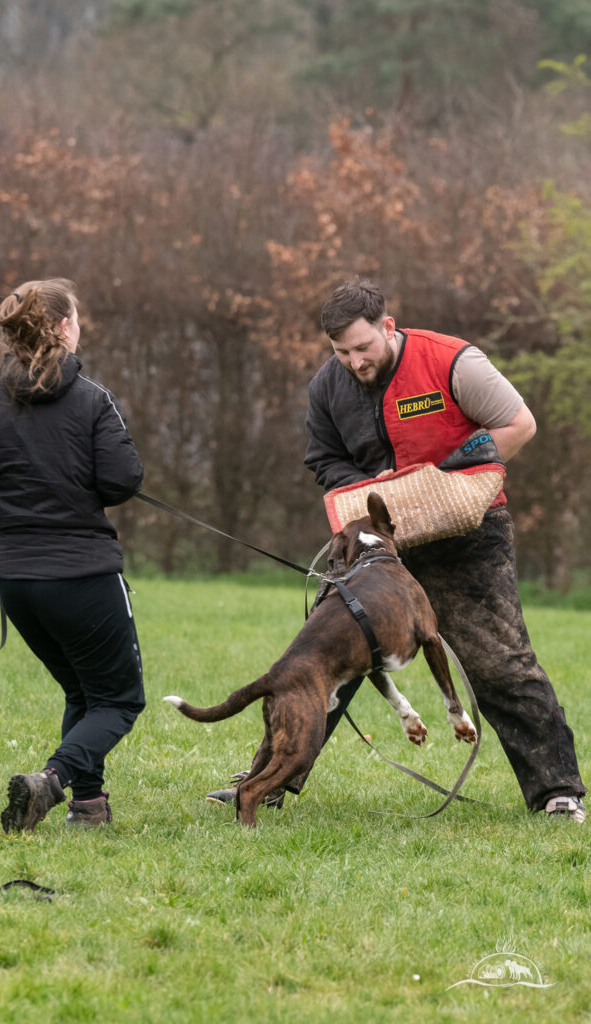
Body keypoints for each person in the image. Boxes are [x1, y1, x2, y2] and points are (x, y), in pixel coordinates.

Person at [207, 276, 586, 823]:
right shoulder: (327, 387)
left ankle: (557, 792)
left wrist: (444, 474)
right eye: (342, 352)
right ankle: (267, 780)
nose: (355, 361)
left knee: (500, 662)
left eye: (363, 347)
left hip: (465, 535)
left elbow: (518, 425)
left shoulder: (453, 362)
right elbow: (325, 460)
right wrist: (367, 485)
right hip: (376, 549)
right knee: (317, 658)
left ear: (388, 327)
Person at [0, 278, 146, 831]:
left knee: (82, 689)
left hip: (16, 580)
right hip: (83, 575)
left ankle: (88, 809)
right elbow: (123, 480)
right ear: (66, 328)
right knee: (119, 699)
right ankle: (51, 781)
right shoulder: (93, 399)